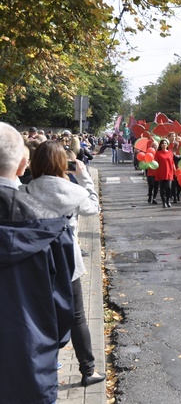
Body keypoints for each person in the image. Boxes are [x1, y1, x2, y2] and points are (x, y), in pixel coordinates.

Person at [20, 140, 106, 388]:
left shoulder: (26, 191)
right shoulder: (74, 191)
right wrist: (85, 177)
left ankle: (43, 371)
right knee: (77, 318)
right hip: (68, 264)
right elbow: (93, 208)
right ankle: (87, 371)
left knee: (39, 319)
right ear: (62, 164)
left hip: (36, 263)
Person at [0, 122, 76, 404]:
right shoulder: (51, 225)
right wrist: (51, 344)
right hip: (30, 358)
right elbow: (64, 304)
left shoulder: (51, 225)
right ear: (23, 165)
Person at [155, 138, 176, 208]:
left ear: (167, 145)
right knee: (162, 188)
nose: (164, 144)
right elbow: (155, 163)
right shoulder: (158, 153)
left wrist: (175, 170)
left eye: (165, 143)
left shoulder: (170, 152)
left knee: (168, 187)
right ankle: (163, 202)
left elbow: (172, 162)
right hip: (161, 172)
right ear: (160, 145)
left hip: (169, 172)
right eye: (163, 143)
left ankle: (167, 200)